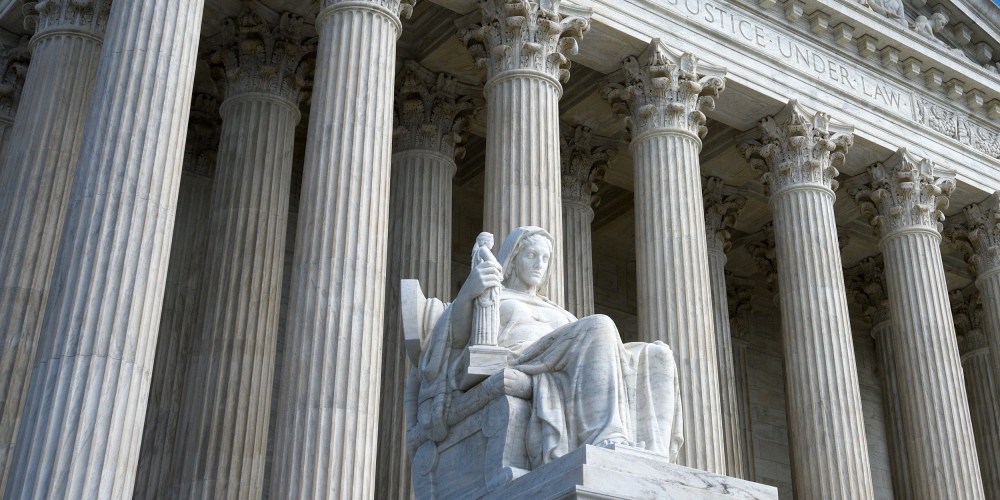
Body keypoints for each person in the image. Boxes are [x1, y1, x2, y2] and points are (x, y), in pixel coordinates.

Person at [422, 226, 683, 469]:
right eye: (531, 255)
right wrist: (469, 292)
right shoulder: (494, 296)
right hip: (521, 356)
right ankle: (606, 436)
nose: (539, 264)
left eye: (545, 258)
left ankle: (653, 458)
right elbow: (454, 339)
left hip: (563, 361)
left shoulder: (559, 311)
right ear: (513, 259)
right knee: (600, 325)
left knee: (658, 354)